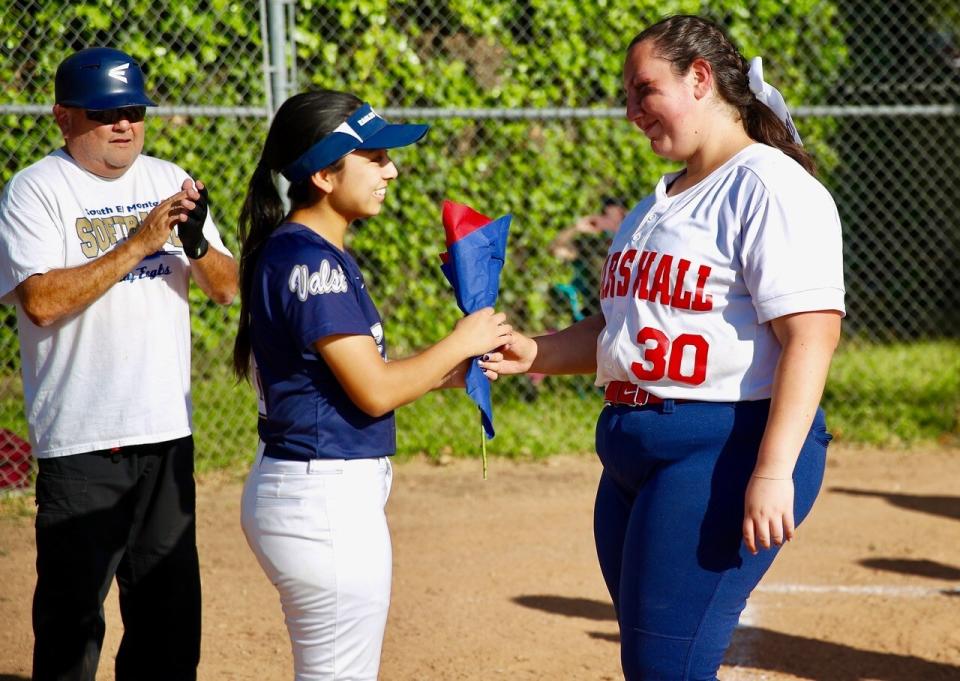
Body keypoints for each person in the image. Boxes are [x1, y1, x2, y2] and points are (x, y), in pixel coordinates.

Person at [482, 14, 844, 680]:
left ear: (700, 77)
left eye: (643, 89)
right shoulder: (657, 204)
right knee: (655, 660)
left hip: (721, 448)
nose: (631, 111)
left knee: (663, 666)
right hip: (633, 454)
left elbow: (812, 335)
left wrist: (771, 471)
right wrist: (532, 351)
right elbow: (618, 331)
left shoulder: (769, 186)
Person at [232, 90, 512, 681]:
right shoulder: (310, 260)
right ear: (326, 174)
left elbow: (345, 378)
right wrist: (460, 341)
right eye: (375, 157)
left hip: (315, 489)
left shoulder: (306, 250)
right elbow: (375, 391)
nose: (392, 169)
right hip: (321, 500)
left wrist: (449, 372)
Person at [0, 47, 238, 681]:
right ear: (62, 118)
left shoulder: (169, 178)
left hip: (166, 435)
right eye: (104, 113)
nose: (123, 124)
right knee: (72, 622)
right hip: (82, 440)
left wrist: (194, 241)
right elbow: (42, 301)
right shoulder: (35, 190)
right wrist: (139, 242)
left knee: (168, 618)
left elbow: (226, 288)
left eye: (132, 110)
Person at [549, 197, 627, 319]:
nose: (606, 220)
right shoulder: (590, 246)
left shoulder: (633, 243)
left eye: (611, 216)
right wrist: (576, 228)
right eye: (604, 215)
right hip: (595, 313)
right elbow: (555, 249)